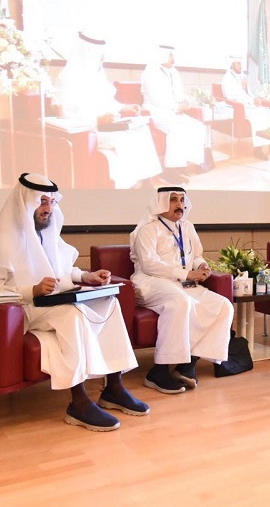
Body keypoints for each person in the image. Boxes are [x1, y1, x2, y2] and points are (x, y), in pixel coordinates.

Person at [0, 173, 149, 432]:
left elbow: (64, 269)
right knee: (72, 314)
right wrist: (32, 290)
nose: (48, 209)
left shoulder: (49, 233)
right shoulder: (3, 238)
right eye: (42, 202)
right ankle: (78, 403)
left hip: (53, 302)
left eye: (51, 202)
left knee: (109, 304)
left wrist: (86, 276)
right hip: (25, 308)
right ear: (26, 202)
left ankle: (114, 388)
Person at [129, 187, 233, 393]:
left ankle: (187, 365)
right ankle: (158, 372)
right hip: (150, 282)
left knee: (223, 306)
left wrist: (201, 266)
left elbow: (196, 255)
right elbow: (149, 265)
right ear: (160, 203)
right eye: (173, 200)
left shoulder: (187, 227)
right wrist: (187, 274)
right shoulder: (148, 229)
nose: (179, 205)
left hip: (181, 283)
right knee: (180, 302)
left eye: (182, 200)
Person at [53, 32, 162, 189]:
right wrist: (96, 120)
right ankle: (131, 186)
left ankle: (145, 182)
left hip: (107, 126)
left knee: (141, 130)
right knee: (125, 138)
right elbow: (65, 115)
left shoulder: (97, 74)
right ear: (88, 51)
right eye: (99, 53)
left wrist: (124, 108)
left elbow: (108, 102)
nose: (102, 57)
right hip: (88, 130)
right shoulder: (68, 77)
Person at [141, 45, 211, 183]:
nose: (173, 58)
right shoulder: (150, 72)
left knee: (196, 126)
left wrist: (187, 102)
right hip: (155, 112)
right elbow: (156, 100)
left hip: (172, 111)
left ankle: (182, 165)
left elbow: (179, 94)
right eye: (170, 55)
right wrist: (177, 107)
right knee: (177, 127)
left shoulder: (173, 72)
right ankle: (169, 170)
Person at [220, 55, 270, 160]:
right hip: (241, 108)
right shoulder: (227, 79)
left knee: (269, 114)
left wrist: (254, 98)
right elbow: (231, 97)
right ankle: (258, 149)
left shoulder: (242, 76)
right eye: (238, 64)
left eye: (241, 64)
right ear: (232, 65)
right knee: (258, 117)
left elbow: (249, 93)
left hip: (250, 105)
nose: (240, 66)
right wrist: (249, 100)